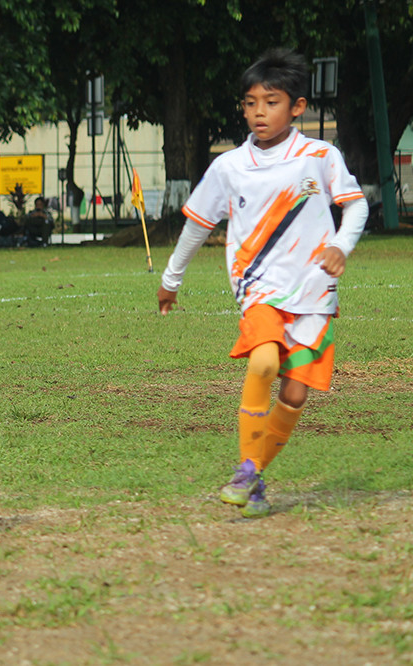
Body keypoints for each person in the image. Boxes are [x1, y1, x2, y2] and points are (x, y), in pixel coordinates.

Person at [157, 48, 368, 518]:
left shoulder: (320, 156)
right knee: (263, 365)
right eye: (250, 103)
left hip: (315, 292)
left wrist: (341, 246)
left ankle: (251, 476)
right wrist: (171, 279)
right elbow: (196, 225)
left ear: (297, 107)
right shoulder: (229, 166)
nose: (258, 112)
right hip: (258, 287)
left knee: (294, 396)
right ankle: (248, 473)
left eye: (270, 102)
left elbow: (356, 205)